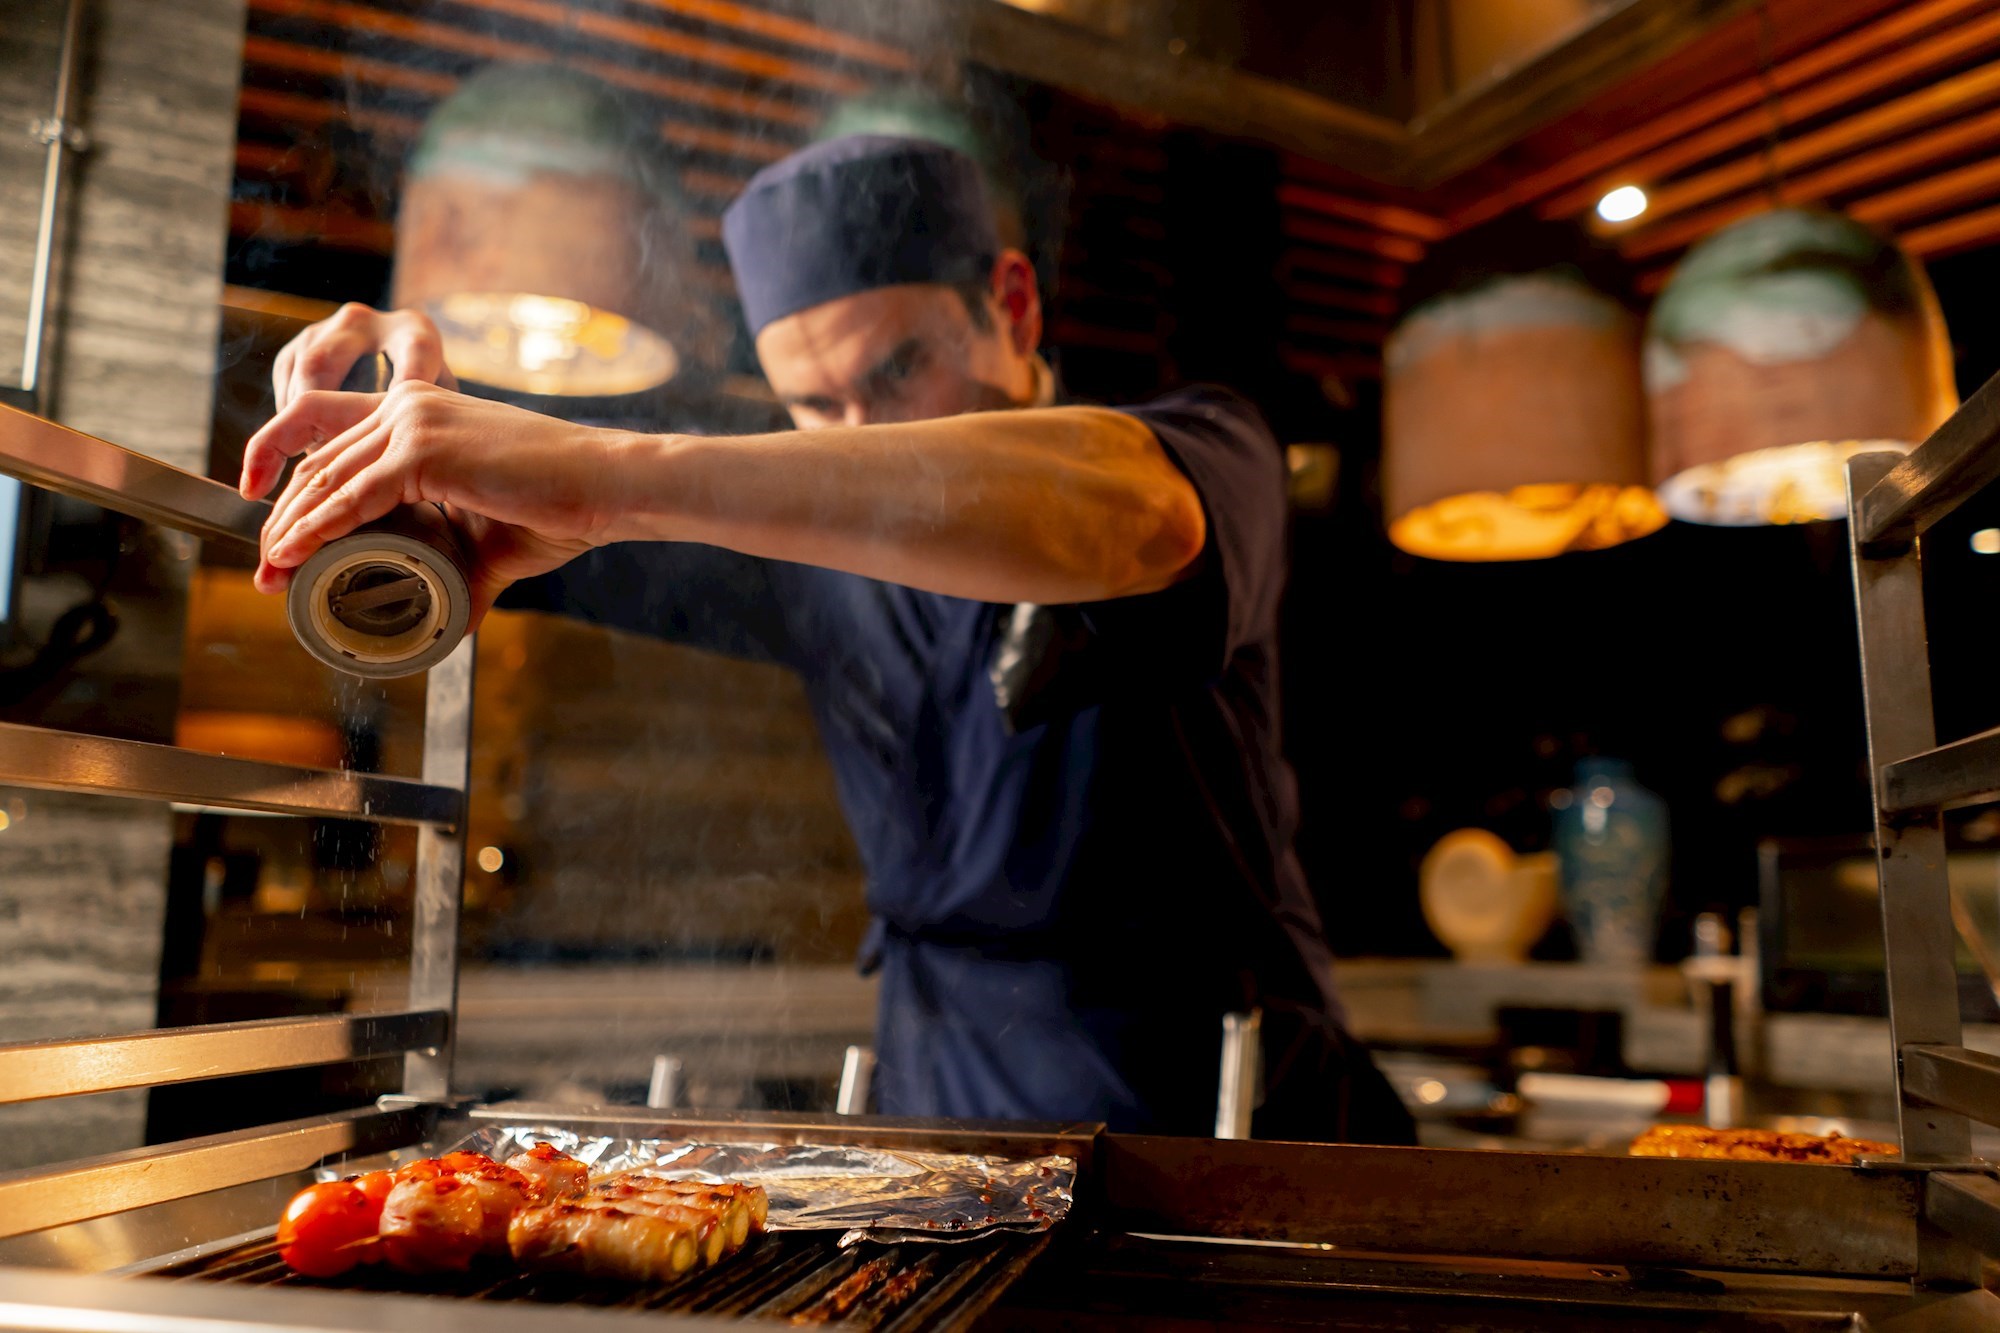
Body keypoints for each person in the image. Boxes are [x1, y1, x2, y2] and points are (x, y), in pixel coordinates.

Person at [244, 135, 1414, 1143]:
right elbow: (516, 515)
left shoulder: (1198, 443)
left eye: (896, 369)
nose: (855, 434)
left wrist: (610, 471)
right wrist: (408, 434)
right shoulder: (797, 547)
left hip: (1224, 1100)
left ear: (1011, 305)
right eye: (810, 407)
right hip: (947, 1102)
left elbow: (1147, 521)